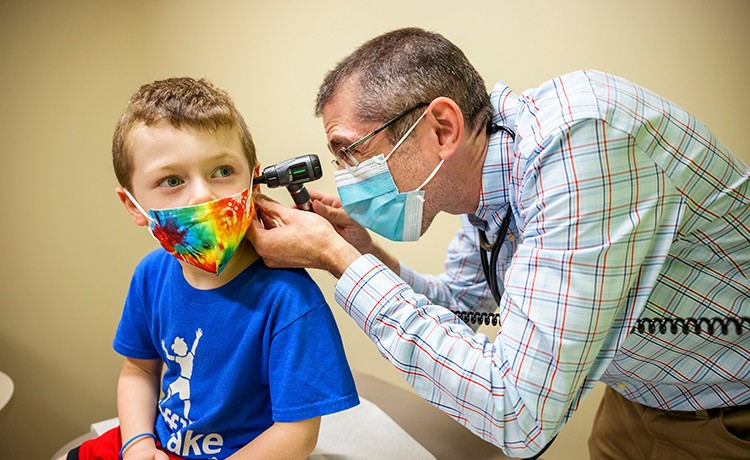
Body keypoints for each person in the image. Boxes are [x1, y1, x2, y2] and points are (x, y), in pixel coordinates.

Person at [247, 27, 750, 458]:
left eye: (351, 152)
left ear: (442, 128)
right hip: (636, 394)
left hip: (728, 413)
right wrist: (358, 253)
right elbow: (466, 305)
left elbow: (518, 414)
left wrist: (334, 257)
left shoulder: (579, 147)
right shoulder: (491, 177)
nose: (348, 180)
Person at [63, 77, 359, 460]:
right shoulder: (151, 275)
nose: (203, 194)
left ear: (253, 181)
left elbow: (296, 435)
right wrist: (137, 444)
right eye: (172, 180)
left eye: (222, 171)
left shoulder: (289, 299)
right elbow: (139, 370)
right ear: (135, 205)